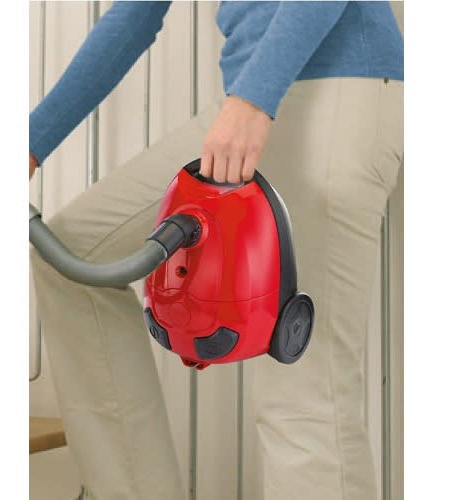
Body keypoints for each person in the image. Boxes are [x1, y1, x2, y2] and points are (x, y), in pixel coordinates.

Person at [29, 2, 404, 499]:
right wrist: (29, 144)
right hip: (248, 98)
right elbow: (136, 13)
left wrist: (253, 99)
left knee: (304, 388)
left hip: (330, 86)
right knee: (74, 255)